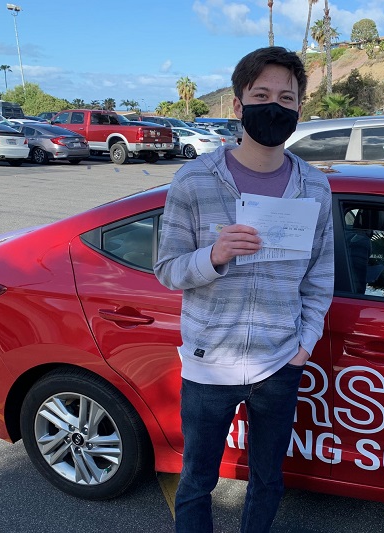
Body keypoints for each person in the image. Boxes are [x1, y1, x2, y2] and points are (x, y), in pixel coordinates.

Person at [154, 46, 334, 533]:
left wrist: (303, 346)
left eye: (286, 97)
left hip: (280, 362)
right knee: (196, 482)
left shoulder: (314, 187)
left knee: (268, 480)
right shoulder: (195, 181)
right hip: (210, 362)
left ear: (299, 108)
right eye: (261, 95)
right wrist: (213, 257)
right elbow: (167, 269)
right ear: (238, 105)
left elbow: (320, 277)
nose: (274, 106)